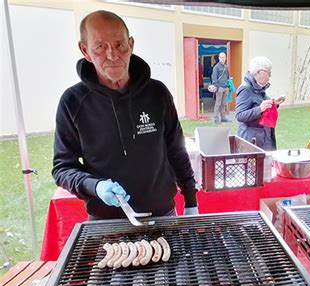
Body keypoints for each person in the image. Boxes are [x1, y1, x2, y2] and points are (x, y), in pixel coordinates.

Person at [52, 10, 198, 220]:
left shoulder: (157, 93)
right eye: (100, 47)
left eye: (120, 44)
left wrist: (191, 201)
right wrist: (96, 186)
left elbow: (176, 150)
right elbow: (63, 167)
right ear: (85, 50)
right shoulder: (73, 102)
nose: (112, 55)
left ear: (131, 44)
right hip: (105, 220)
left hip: (163, 213)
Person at [235, 56, 286, 151]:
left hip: (263, 138)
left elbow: (260, 107)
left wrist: (274, 104)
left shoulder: (258, 87)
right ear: (258, 72)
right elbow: (240, 116)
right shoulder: (246, 88)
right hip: (251, 142)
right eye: (269, 72)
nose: (270, 76)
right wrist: (260, 109)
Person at [211, 52, 230, 123]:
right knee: (218, 104)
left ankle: (223, 118)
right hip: (220, 88)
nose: (223, 59)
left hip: (226, 87)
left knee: (224, 104)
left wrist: (228, 85)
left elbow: (227, 76)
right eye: (221, 57)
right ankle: (216, 119)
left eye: (224, 57)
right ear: (219, 58)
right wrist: (217, 87)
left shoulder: (226, 66)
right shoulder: (216, 67)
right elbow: (214, 78)